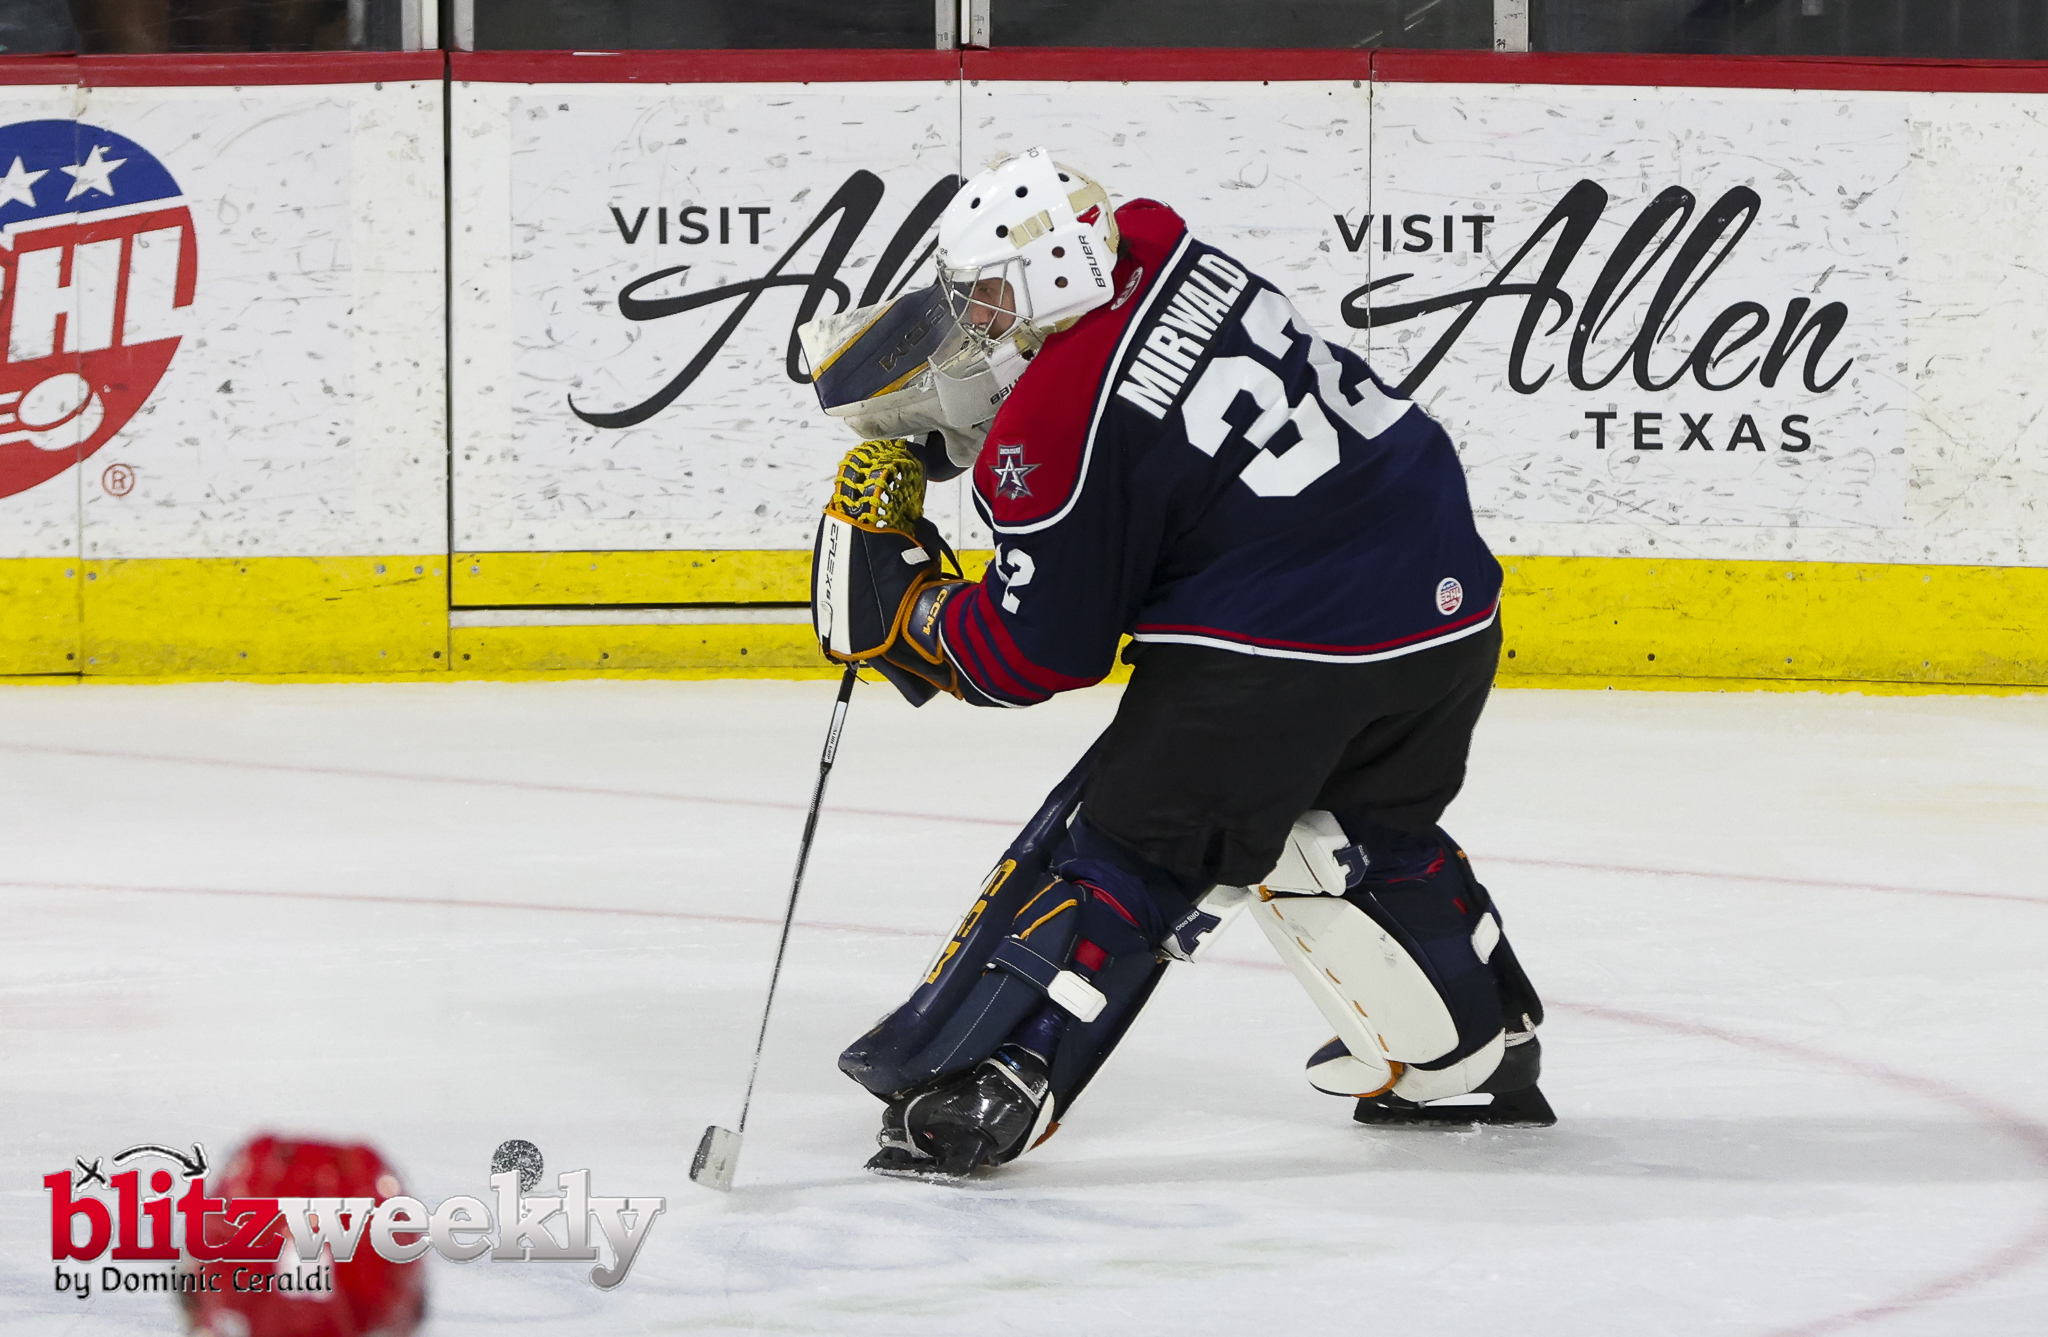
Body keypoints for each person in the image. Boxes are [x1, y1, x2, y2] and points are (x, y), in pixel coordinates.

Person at [803, 146, 1550, 1180]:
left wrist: (912, 613)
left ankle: (996, 1087)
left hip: (1281, 653)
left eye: (987, 299)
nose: (973, 322)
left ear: (1052, 279)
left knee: (1132, 856)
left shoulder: (1049, 425)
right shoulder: (1157, 242)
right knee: (1359, 828)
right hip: (1445, 608)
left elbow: (1033, 654)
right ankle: (1472, 1052)